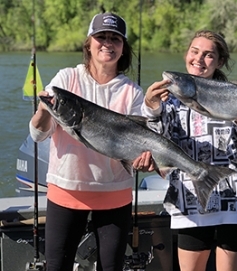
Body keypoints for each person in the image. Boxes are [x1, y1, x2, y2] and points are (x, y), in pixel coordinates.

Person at [29, 12, 152, 271]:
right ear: (89, 44)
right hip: (66, 192)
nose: (107, 43)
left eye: (115, 38)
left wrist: (146, 159)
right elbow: (38, 134)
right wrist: (43, 109)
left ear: (123, 48)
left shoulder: (132, 92)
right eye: (101, 37)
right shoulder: (66, 80)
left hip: (115, 195)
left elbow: (141, 146)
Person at [140, 30, 237, 271]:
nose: (199, 59)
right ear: (186, 54)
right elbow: (161, 150)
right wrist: (152, 110)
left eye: (208, 55)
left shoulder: (235, 96)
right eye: (194, 51)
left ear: (220, 62)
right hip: (189, 200)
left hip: (235, 201)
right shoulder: (169, 100)